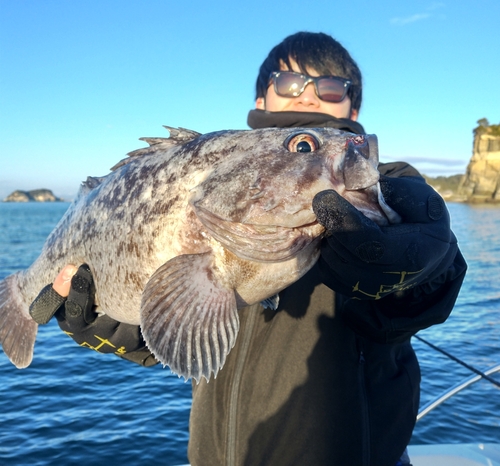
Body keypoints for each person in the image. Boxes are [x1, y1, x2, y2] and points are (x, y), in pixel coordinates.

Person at [30, 32, 467, 466]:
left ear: (353, 107)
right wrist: (108, 324)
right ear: (261, 100)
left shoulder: (390, 183)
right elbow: (173, 339)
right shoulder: (220, 160)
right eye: (290, 84)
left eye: (331, 87)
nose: (310, 97)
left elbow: (428, 286)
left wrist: (422, 267)